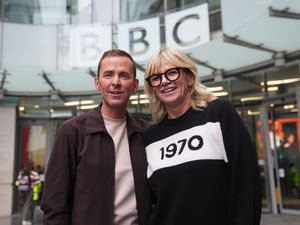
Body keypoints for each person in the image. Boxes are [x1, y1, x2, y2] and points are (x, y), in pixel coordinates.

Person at [143, 48, 261, 225]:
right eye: (156, 78)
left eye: (172, 73)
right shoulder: (150, 136)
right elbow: (151, 199)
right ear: (151, 88)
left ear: (190, 78)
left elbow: (246, 182)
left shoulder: (219, 114)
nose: (164, 81)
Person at [41, 49, 151, 225]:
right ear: (97, 83)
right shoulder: (72, 132)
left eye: (124, 75)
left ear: (135, 85)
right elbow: (54, 205)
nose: (116, 82)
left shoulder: (147, 134)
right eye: (108, 75)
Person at [15, 160, 40, 225]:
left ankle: (26, 220)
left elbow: (18, 181)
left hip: (21, 190)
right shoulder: (34, 173)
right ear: (32, 165)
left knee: (25, 205)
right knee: (27, 205)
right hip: (29, 190)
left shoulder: (22, 172)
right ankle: (25, 220)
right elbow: (37, 182)